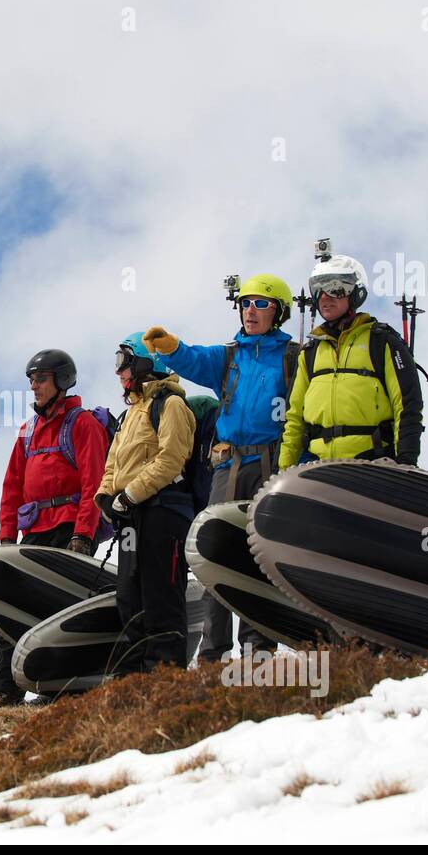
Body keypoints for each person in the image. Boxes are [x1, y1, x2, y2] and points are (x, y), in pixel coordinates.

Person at [142, 273, 298, 661]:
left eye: (260, 304)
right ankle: (213, 654)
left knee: (261, 555)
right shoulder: (229, 356)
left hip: (270, 463)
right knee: (214, 552)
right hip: (227, 466)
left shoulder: (295, 357)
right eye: (245, 303)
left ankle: (258, 649)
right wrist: (171, 347)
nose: (250, 310)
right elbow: (193, 358)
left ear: (278, 311)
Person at [0, 349, 109, 706]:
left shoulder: (82, 423)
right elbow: (11, 487)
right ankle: (7, 689)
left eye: (40, 379)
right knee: (12, 603)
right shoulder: (27, 432)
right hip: (32, 533)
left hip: (69, 530)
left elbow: (95, 483)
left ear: (62, 379)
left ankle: (61, 686)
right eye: (31, 380)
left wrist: (84, 534)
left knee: (59, 609)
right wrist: (6, 535)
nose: (34, 386)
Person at [95, 334, 195, 674]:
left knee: (161, 595)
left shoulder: (171, 405)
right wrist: (106, 498)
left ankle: (163, 681)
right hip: (130, 517)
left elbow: (171, 460)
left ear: (143, 363)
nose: (119, 372)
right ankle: (130, 682)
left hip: (163, 513)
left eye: (124, 363)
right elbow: (114, 463)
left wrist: (130, 495)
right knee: (129, 595)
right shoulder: (130, 414)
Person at [278, 255, 424, 468]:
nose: (325, 296)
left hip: (371, 462)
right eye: (317, 289)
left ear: (355, 293)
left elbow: (407, 404)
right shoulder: (310, 352)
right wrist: (281, 472)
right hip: (317, 467)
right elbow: (294, 420)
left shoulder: (381, 341)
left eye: (336, 288)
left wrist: (405, 463)